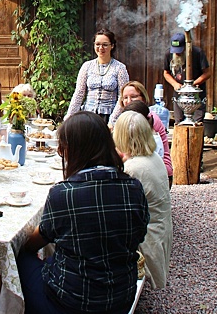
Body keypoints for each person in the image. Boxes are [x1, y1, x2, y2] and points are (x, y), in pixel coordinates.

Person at [17, 111, 149, 314]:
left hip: (71, 302)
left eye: (62, 148)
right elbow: (139, 234)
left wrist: (25, 235)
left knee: (20, 258)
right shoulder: (133, 187)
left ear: (70, 149)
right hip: (121, 297)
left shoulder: (63, 193)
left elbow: (36, 241)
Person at [113, 111, 173, 289]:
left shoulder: (134, 168)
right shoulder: (153, 157)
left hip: (147, 240)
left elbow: (118, 210)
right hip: (161, 230)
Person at [65, 28, 129, 125]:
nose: (101, 48)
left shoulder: (120, 68)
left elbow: (122, 96)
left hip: (109, 116)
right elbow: (79, 94)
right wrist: (69, 118)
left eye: (105, 45)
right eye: (97, 44)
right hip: (88, 115)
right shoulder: (87, 66)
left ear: (112, 46)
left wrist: (113, 120)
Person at [116, 81, 173, 187]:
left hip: (159, 171)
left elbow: (140, 153)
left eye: (133, 97)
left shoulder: (149, 118)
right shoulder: (126, 117)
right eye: (125, 97)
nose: (128, 101)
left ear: (143, 98)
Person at [163, 32, 210, 124]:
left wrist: (192, 85)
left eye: (180, 50)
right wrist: (175, 84)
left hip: (197, 96)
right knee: (178, 122)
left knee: (197, 122)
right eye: (175, 50)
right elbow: (166, 73)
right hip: (179, 95)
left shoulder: (198, 53)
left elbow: (207, 73)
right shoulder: (169, 54)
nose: (177, 53)